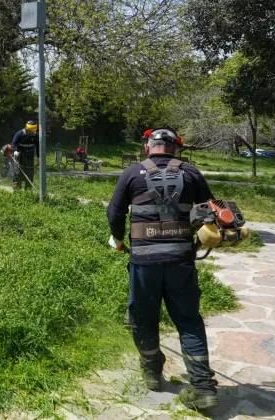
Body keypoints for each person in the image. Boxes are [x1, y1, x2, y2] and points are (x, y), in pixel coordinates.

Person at [107, 128, 219, 411]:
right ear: (175, 149)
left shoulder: (132, 173)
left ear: (148, 147)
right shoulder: (191, 173)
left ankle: (152, 373)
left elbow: (115, 213)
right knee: (189, 320)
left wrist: (118, 239)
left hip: (144, 263)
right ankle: (203, 387)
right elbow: (212, 209)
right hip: (181, 261)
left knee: (143, 317)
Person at [10, 120, 39, 190]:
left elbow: (38, 147)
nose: (31, 132)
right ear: (26, 128)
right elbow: (13, 143)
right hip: (19, 156)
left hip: (30, 157)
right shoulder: (19, 134)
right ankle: (17, 190)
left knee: (29, 174)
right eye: (30, 130)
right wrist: (15, 151)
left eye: (33, 130)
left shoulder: (35, 136)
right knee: (17, 174)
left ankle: (28, 191)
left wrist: (39, 158)